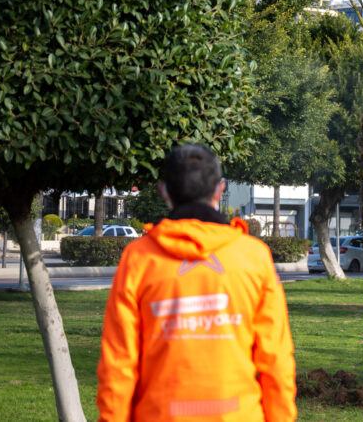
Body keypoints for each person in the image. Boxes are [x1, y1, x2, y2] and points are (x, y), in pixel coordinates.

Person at [97, 144, 297, 420]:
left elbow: (118, 364)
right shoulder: (254, 257)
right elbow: (276, 359)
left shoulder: (138, 259)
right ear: (220, 189)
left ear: (163, 190)